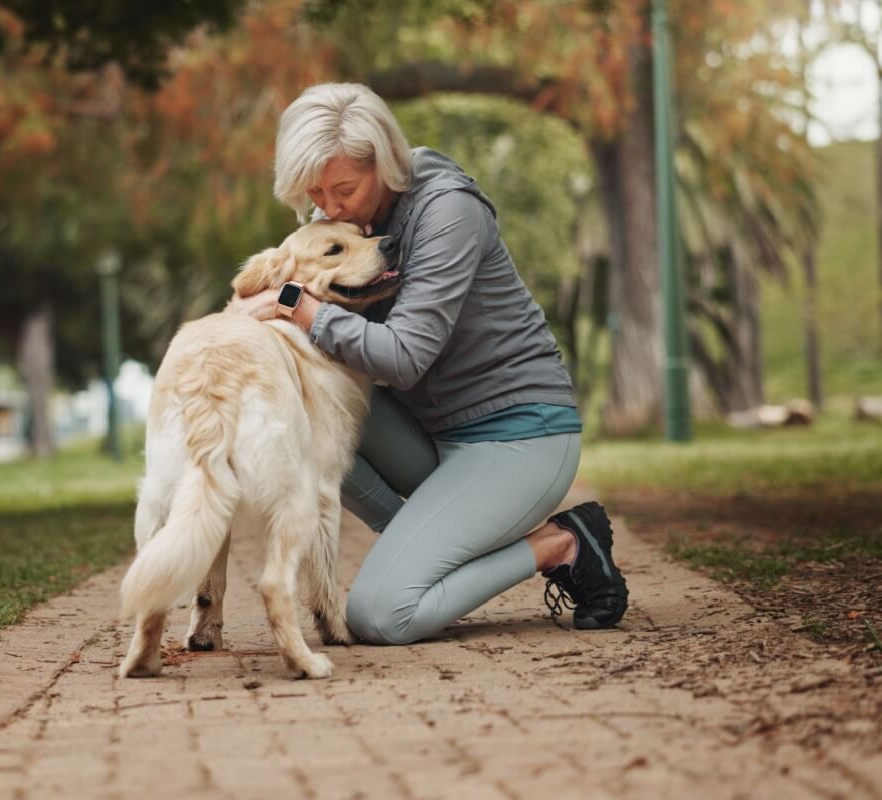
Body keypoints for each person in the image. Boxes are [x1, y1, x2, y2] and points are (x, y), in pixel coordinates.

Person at [228, 82, 628, 646]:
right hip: (434, 435)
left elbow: (404, 357)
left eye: (344, 188)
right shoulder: (344, 222)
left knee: (380, 616)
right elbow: (290, 300)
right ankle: (418, 541)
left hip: (518, 437)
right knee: (303, 396)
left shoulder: (449, 212)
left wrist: (293, 303)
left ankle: (563, 543)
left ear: (386, 164)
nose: (330, 207)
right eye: (316, 193)